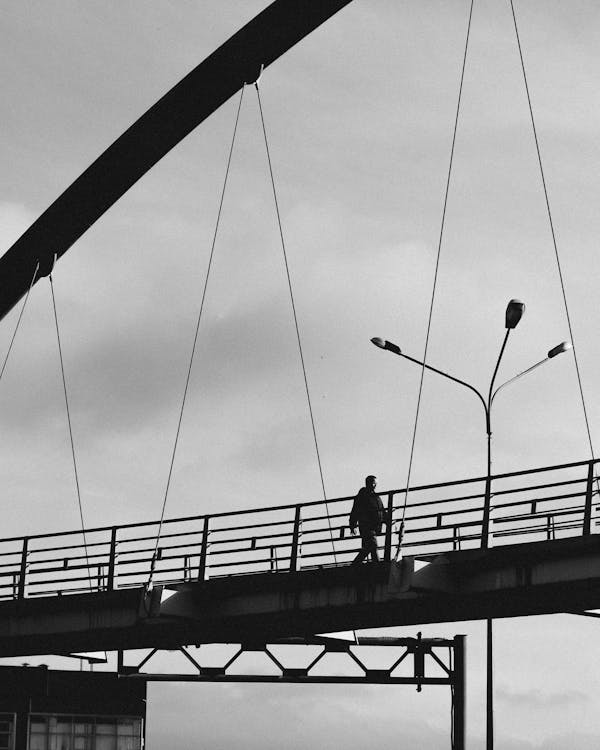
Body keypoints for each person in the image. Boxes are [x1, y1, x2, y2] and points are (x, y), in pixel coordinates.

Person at [349, 475, 387, 565]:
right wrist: (352, 525)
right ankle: (373, 565)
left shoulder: (375, 497)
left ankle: (358, 565)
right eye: (374, 483)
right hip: (367, 526)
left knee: (369, 547)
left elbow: (382, 511)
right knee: (372, 546)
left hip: (373, 526)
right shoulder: (363, 496)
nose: (375, 485)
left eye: (375, 483)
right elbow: (355, 511)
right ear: (370, 483)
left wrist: (388, 520)